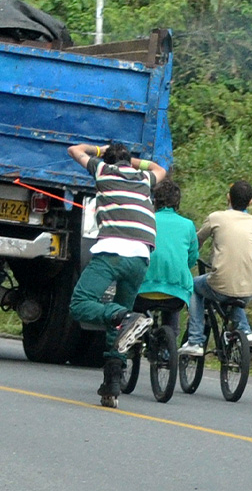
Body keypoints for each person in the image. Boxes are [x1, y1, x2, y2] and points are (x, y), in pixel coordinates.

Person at [66, 141, 168, 407]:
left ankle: (124, 316)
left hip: (112, 251)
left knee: (80, 304)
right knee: (121, 326)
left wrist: (100, 150)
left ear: (108, 161)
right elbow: (160, 168)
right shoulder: (144, 178)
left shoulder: (103, 171)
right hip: (141, 257)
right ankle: (112, 384)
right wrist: (131, 160)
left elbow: (74, 150)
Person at [181, 180, 252, 356]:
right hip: (251, 284)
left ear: (228, 197)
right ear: (250, 202)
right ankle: (245, 331)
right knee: (234, 294)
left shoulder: (216, 218)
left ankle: (195, 340)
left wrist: (187, 258)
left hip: (221, 282)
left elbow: (197, 241)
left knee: (194, 286)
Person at [132, 179, 198, 336]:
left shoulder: (144, 220)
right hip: (176, 294)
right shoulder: (188, 225)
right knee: (172, 313)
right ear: (177, 202)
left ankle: (135, 337)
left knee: (133, 312)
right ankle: (170, 341)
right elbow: (192, 258)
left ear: (154, 200)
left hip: (143, 291)